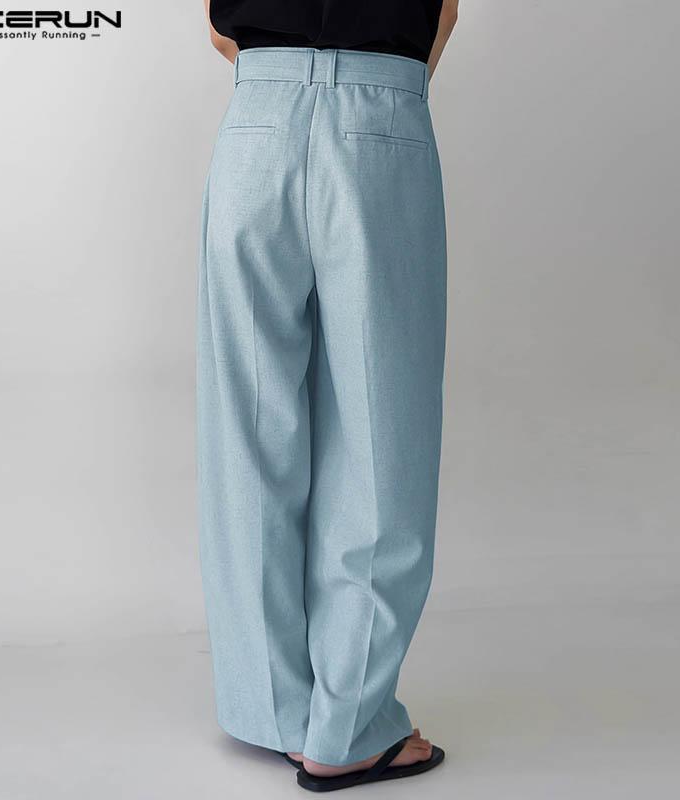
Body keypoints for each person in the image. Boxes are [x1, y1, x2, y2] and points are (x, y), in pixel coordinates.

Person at [197, 0, 458, 791]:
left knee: (247, 434)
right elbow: (443, 12)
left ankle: (274, 710)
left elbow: (217, 26)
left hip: (256, 124)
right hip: (381, 121)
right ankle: (346, 729)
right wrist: (372, 88)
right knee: (385, 433)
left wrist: (287, 76)